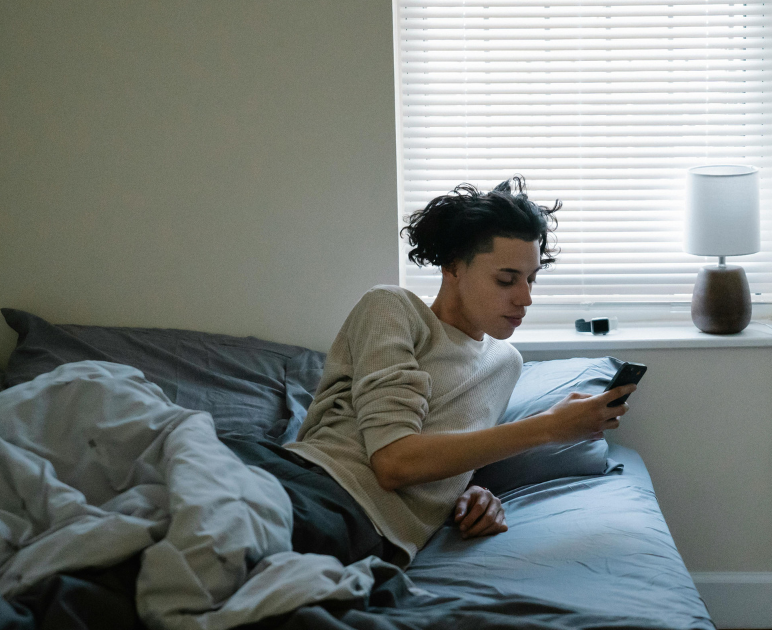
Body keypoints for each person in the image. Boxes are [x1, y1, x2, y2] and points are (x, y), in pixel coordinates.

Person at [224, 177, 636, 568]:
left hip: (358, 519)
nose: (526, 297)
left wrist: (470, 490)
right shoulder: (392, 307)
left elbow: (446, 448)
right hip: (305, 479)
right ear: (453, 267)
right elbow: (394, 462)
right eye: (506, 279)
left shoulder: (506, 362)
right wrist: (547, 427)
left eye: (531, 278)